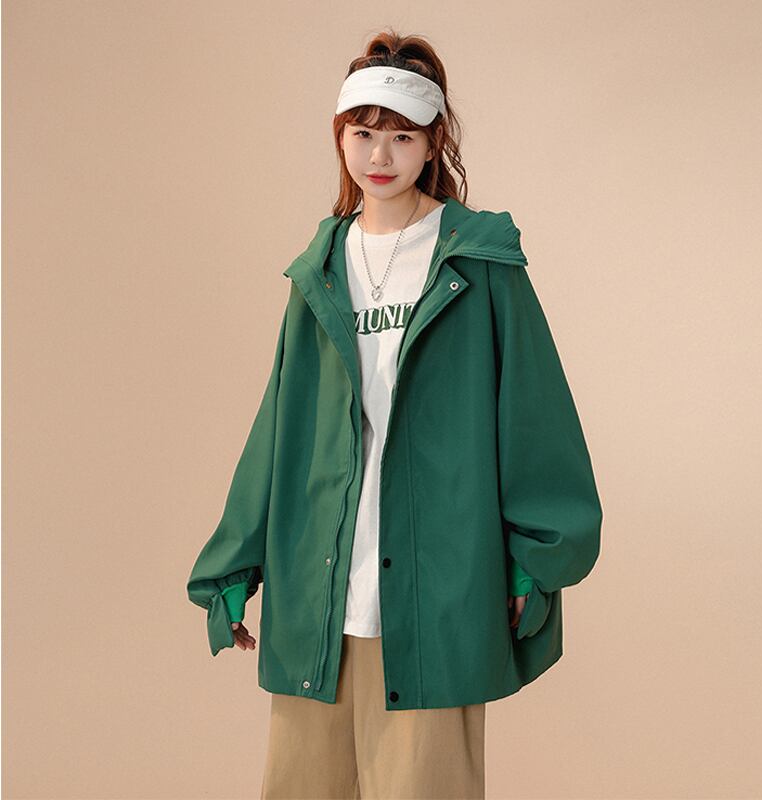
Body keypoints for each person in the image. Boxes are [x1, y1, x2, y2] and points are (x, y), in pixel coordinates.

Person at [186, 29, 603, 800]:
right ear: (340, 137)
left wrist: (534, 556)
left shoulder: (478, 262)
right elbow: (279, 426)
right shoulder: (320, 269)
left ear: (433, 141)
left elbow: (534, 411)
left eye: (402, 136)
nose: (379, 155)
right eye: (363, 133)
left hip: (438, 583)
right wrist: (234, 564)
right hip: (321, 588)